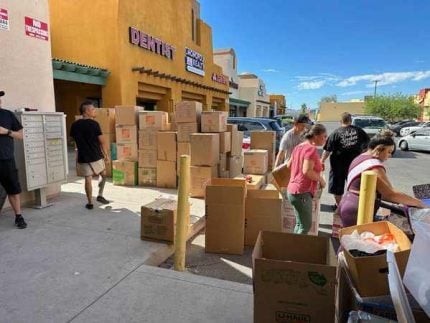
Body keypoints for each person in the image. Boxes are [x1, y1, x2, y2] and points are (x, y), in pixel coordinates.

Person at [339, 130, 426, 227]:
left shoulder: (361, 157)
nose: (390, 156)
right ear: (379, 149)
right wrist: (420, 203)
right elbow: (390, 194)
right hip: (358, 209)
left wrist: (406, 200)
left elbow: (383, 193)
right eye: (388, 152)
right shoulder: (374, 166)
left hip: (349, 203)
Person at [321, 112, 369, 209]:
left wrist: (321, 161)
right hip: (355, 165)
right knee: (355, 186)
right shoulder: (360, 131)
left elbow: (327, 150)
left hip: (337, 165)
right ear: (351, 121)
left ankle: (340, 207)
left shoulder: (335, 133)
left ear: (340, 121)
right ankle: (355, 207)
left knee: (337, 187)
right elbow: (368, 147)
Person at [286, 124, 327, 234]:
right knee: (305, 226)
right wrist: (321, 179)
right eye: (324, 136)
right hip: (302, 191)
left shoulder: (299, 147)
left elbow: (289, 165)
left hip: (293, 190)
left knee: (300, 224)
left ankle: (293, 248)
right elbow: (307, 171)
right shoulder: (311, 149)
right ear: (316, 136)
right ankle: (297, 250)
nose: (325, 139)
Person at [70, 101, 110, 209]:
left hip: (83, 157)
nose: (94, 111)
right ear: (86, 111)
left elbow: (74, 141)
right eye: (92, 109)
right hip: (96, 155)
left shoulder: (74, 125)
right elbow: (102, 141)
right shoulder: (94, 124)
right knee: (103, 174)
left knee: (88, 179)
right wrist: (106, 154)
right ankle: (100, 195)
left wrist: (77, 152)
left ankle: (90, 203)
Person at [0, 90, 27, 229]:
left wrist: (7, 132)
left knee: (13, 190)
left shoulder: (8, 115)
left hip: (6, 160)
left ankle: (18, 216)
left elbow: (21, 135)